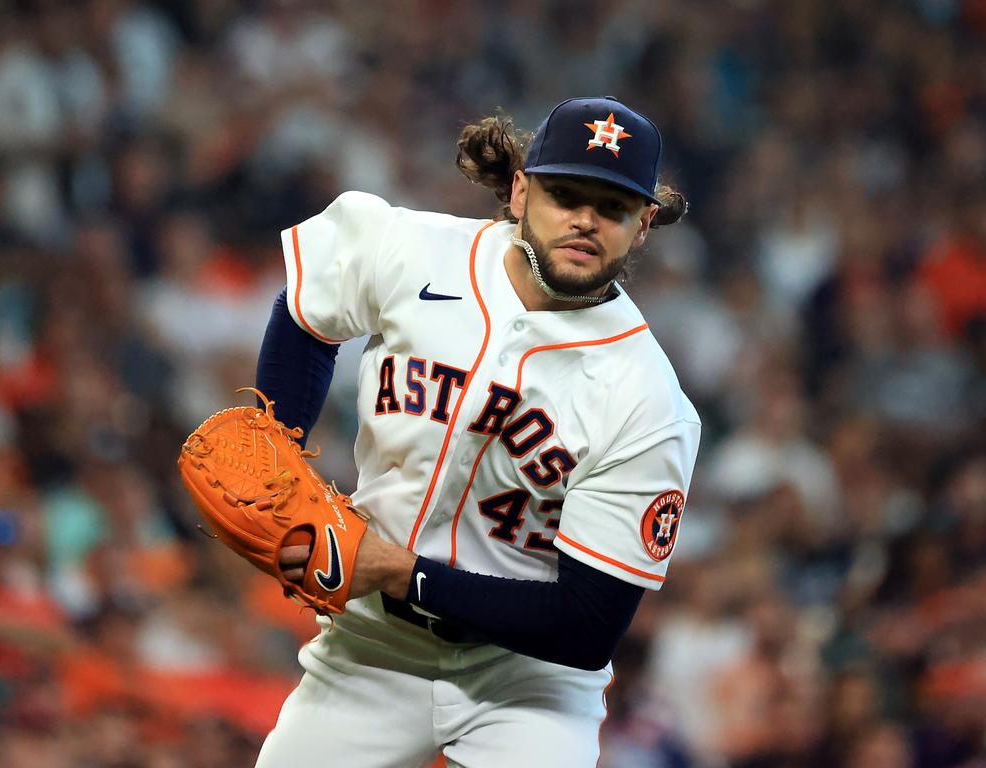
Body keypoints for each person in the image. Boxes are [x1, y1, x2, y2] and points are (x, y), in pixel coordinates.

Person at [252, 96, 701, 768]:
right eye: (565, 194)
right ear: (520, 191)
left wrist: (403, 573)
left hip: (530, 684)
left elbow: (586, 626)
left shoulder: (646, 401)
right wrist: (272, 441)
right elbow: (307, 309)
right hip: (369, 651)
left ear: (642, 226)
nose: (584, 219)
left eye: (611, 207)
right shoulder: (412, 250)